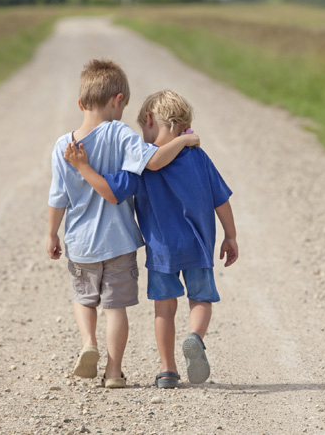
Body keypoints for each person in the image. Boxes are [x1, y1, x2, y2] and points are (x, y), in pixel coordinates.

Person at [63, 89, 238, 389]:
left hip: (162, 252)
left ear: (148, 120)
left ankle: (167, 370)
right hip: (198, 245)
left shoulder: (141, 165)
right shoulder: (198, 157)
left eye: (144, 127)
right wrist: (230, 237)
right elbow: (221, 200)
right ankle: (195, 337)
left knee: (164, 309)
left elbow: (111, 191)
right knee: (201, 300)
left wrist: (84, 167)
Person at [47, 61, 199, 389]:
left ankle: (89, 342)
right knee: (115, 308)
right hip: (118, 241)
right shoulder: (119, 134)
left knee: (84, 297)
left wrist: (51, 234)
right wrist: (185, 141)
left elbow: (58, 197)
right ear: (118, 100)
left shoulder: (63, 146)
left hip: (81, 242)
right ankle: (114, 372)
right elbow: (155, 160)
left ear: (80, 103)